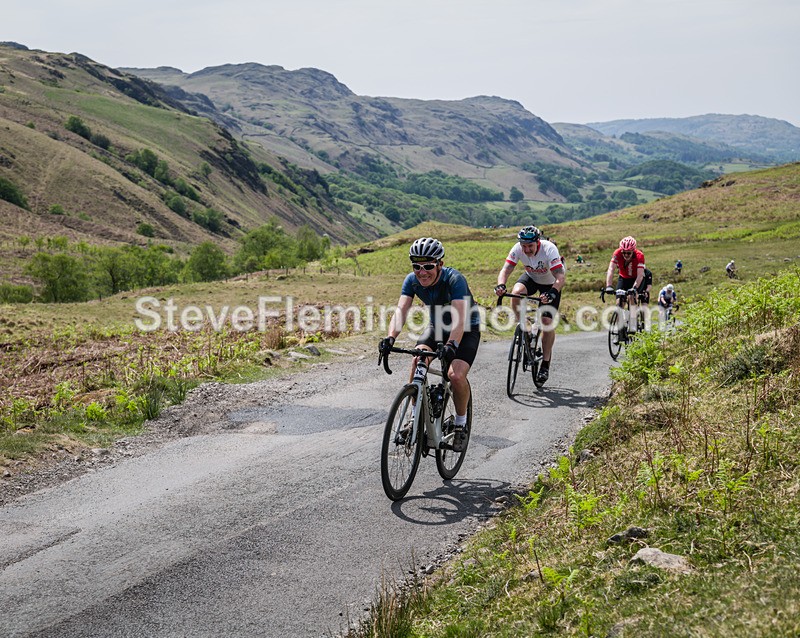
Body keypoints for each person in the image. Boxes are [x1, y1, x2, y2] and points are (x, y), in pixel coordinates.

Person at [378, 237, 480, 452]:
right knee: (418, 360)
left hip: (466, 328)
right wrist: (390, 338)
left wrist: (452, 345)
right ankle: (413, 420)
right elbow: (401, 310)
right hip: (436, 327)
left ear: (440, 264)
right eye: (416, 266)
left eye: (428, 266)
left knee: (455, 375)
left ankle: (461, 425)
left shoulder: (455, 280)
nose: (422, 272)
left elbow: (460, 319)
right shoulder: (411, 281)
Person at [494, 225, 565, 385]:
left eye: (530, 246)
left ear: (537, 242)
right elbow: (506, 269)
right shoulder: (518, 248)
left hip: (550, 283)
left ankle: (545, 363)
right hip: (531, 278)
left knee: (546, 323)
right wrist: (501, 285)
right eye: (523, 246)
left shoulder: (549, 249)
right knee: (516, 292)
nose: (526, 250)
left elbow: (560, 277)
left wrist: (553, 292)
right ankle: (523, 326)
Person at [604, 236, 646, 331]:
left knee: (632, 297)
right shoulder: (617, 253)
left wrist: (634, 288)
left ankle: (633, 322)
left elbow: (640, 275)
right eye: (624, 252)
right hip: (623, 278)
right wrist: (609, 286)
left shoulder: (639, 256)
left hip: (636, 279)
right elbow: (611, 269)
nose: (626, 255)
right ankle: (619, 329)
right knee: (619, 302)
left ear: (633, 251)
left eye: (629, 253)